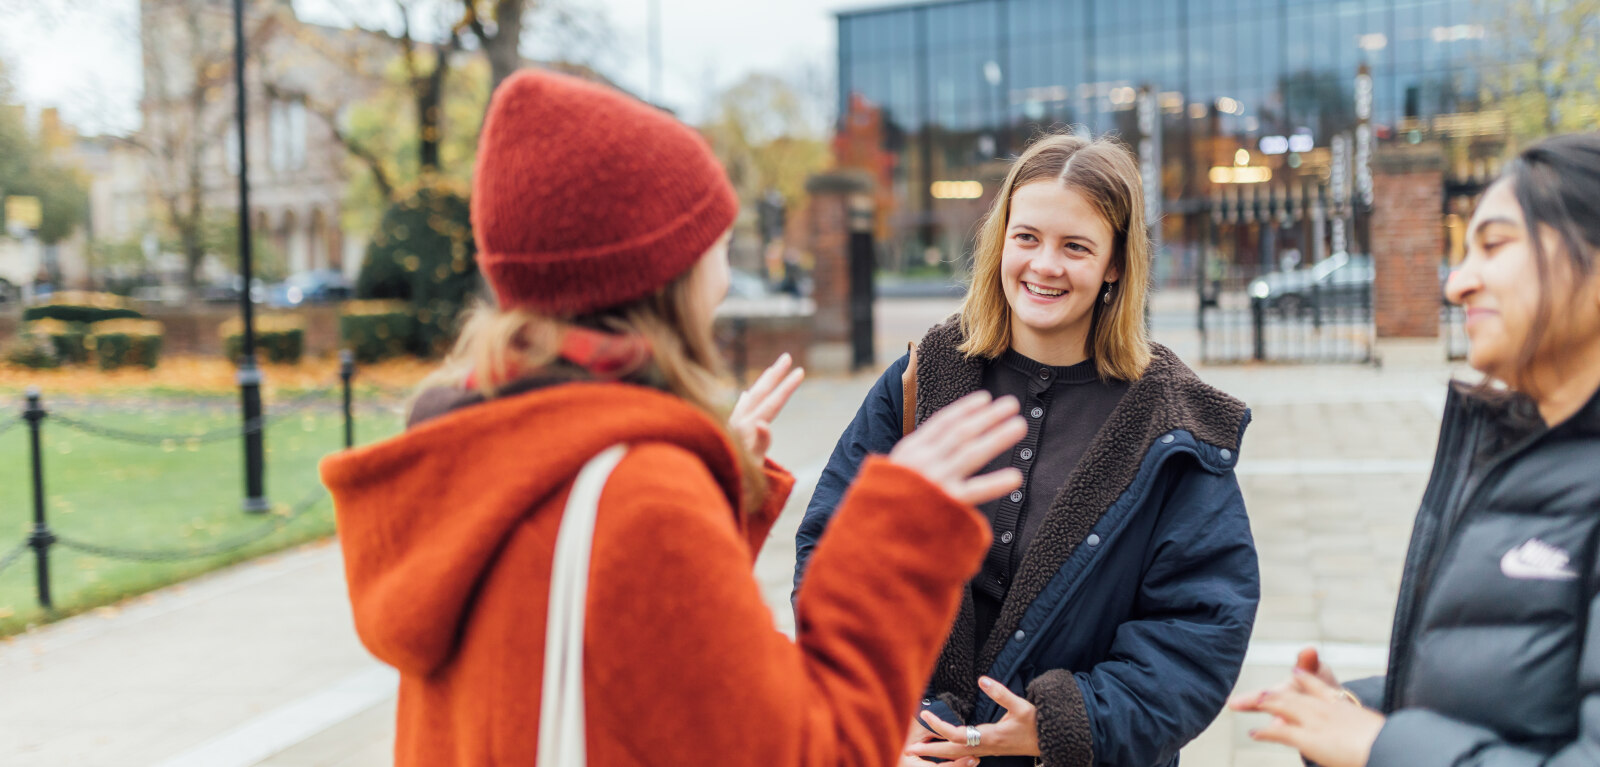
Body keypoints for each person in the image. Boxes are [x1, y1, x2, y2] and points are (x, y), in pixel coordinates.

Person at [320, 69, 1031, 767]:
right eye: (716, 236)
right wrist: (893, 538)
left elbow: (630, 665)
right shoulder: (641, 498)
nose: (724, 265)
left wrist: (713, 499)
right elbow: (810, 749)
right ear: (664, 268)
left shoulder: (479, 437)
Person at [793, 133, 1260, 767]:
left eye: (1076, 246)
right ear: (1001, 241)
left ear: (1115, 264)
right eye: (1027, 238)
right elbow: (832, 549)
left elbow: (1200, 627)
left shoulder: (1170, 422)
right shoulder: (922, 379)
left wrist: (1062, 725)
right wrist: (894, 712)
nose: (1044, 265)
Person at [1229, 133, 1600, 766]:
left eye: (1496, 245)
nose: (1458, 283)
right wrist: (1368, 709)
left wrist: (1379, 745)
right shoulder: (1516, 451)